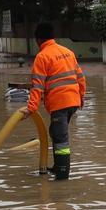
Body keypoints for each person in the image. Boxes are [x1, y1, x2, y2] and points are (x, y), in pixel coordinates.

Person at [25, 22, 85, 180]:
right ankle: (58, 167)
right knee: (56, 132)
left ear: (38, 40)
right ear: (53, 37)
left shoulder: (42, 57)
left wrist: (31, 109)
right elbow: (81, 78)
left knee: (60, 138)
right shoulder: (67, 52)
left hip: (60, 103)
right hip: (73, 101)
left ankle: (62, 175)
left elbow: (37, 86)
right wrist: (81, 97)